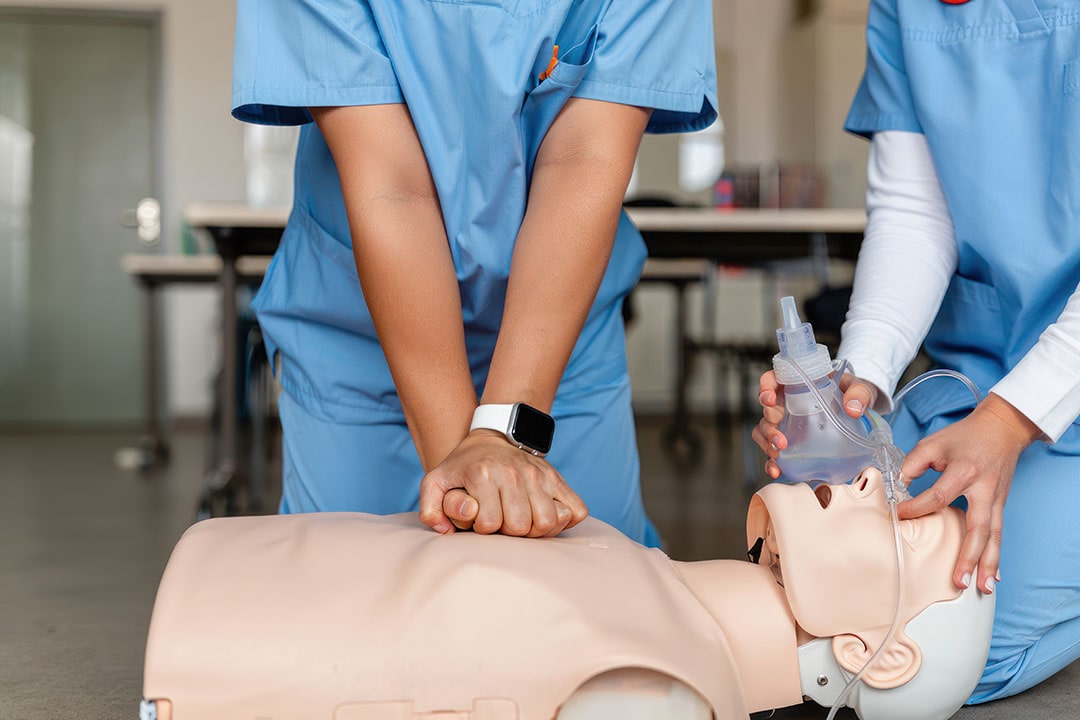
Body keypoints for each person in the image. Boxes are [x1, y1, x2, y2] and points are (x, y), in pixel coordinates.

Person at [229, 0, 717, 546]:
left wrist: (504, 431)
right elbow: (393, 187)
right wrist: (469, 480)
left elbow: (582, 159)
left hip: (557, 337)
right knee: (355, 601)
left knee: (602, 601)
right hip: (362, 343)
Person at [754, 0, 1080, 703]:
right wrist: (856, 380)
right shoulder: (905, 9)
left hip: (1045, 387)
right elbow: (914, 211)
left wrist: (1014, 419)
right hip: (988, 373)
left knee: (949, 655)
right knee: (814, 604)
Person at [140, 468, 994, 720]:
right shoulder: (631, 571)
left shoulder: (657, 687)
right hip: (230, 579)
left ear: (869, 656)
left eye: (907, 531)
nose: (878, 478)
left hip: (211, 648)